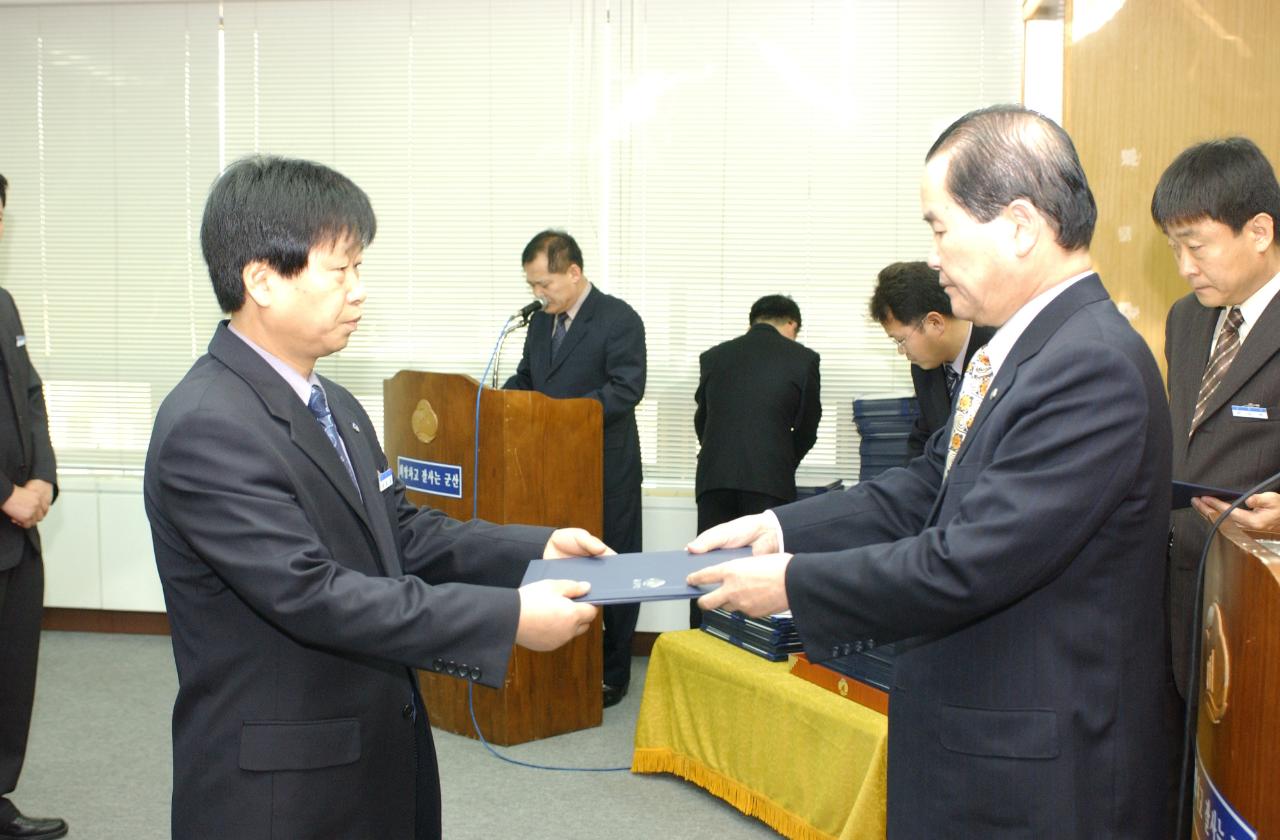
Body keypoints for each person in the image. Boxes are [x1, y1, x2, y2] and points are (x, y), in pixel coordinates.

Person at [687, 105, 1174, 838]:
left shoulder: (1090, 365)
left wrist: (792, 582)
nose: (935, 257)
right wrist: (781, 524)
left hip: (1039, 771)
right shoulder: (1024, 346)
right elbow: (928, 485)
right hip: (983, 736)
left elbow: (966, 563)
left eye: (939, 227)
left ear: (1017, 225)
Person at [144, 156, 603, 840]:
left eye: (360, 269)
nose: (359, 292)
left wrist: (534, 546)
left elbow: (400, 532)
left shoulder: (336, 404)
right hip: (283, 791)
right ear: (261, 280)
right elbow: (313, 594)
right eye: (341, 270)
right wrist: (506, 617)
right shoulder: (209, 425)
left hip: (372, 752)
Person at [1152, 136, 1280, 702]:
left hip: (1257, 601)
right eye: (1174, 248)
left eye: (1196, 247)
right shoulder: (1186, 319)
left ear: (1259, 231)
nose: (1184, 268)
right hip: (1174, 591)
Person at [504, 230, 646, 709]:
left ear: (573, 272)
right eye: (531, 286)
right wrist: (497, 400)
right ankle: (563, 662)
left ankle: (613, 671)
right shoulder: (541, 325)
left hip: (607, 466)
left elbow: (626, 390)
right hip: (551, 466)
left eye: (544, 284)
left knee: (616, 566)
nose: (538, 295)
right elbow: (529, 380)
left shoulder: (619, 319)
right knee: (559, 563)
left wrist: (565, 418)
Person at [0, 175, 67, 840]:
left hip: (18, 534)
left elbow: (31, 398)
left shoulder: (4, 303)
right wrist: (4, 492)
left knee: (10, 673)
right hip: (4, 510)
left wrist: (44, 476)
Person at [690, 294, 820, 628]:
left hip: (714, 478)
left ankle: (700, 647)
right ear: (792, 324)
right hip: (770, 480)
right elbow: (807, 427)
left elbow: (702, 420)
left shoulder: (715, 356)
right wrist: (781, 461)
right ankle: (756, 657)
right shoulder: (803, 359)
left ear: (754, 321)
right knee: (763, 576)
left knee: (706, 570)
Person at [869, 260, 995, 457]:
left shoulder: (999, 354)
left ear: (934, 323)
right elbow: (923, 442)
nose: (902, 351)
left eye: (901, 340)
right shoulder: (924, 367)